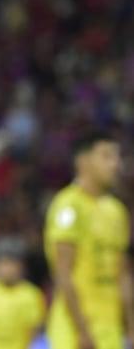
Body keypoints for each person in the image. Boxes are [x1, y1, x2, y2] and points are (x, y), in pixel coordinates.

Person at [44, 131, 134, 349]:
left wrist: (131, 326)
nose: (115, 164)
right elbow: (63, 273)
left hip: (110, 327)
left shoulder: (117, 211)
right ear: (83, 161)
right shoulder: (68, 206)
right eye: (106, 156)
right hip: (73, 329)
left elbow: (123, 275)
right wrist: (82, 331)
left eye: (117, 157)